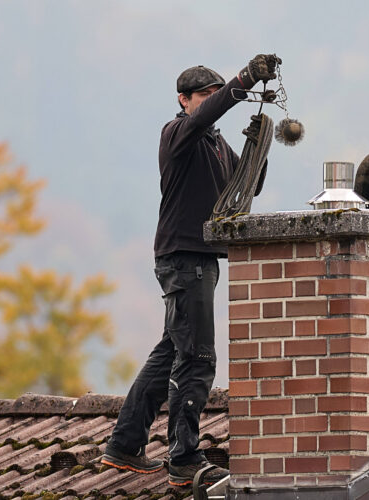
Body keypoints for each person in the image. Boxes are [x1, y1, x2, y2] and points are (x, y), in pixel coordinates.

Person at [101, 54, 280, 487]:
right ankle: (183, 459)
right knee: (198, 359)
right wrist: (244, 80)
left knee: (171, 354)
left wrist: (259, 145)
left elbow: (249, 183)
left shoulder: (216, 144)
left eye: (214, 92)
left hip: (197, 259)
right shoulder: (179, 133)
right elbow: (211, 114)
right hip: (185, 259)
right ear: (183, 101)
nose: (212, 99)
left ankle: (124, 445)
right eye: (204, 94)